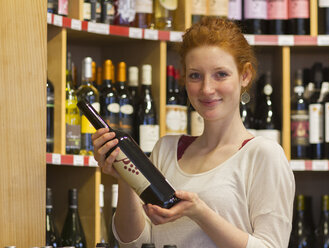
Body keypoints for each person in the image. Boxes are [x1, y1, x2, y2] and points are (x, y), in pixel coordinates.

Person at [92, 17, 295, 248]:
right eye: (195, 75)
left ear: (245, 75)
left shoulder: (264, 155)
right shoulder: (166, 150)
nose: (207, 89)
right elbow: (135, 243)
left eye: (221, 74)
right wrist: (126, 176)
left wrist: (200, 213)